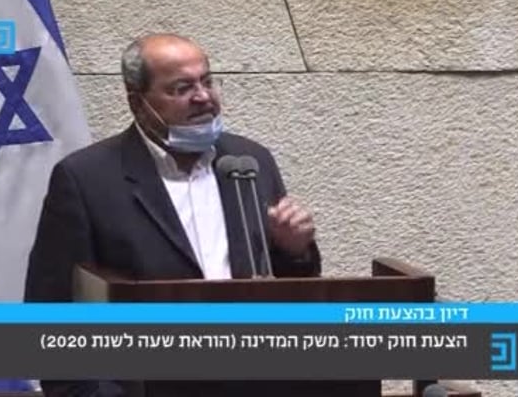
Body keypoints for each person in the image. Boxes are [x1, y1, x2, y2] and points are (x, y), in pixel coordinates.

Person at [24, 33, 327, 396]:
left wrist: (294, 251)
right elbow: (51, 312)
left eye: (207, 81)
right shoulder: (86, 179)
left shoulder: (249, 162)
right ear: (137, 102)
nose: (203, 97)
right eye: (182, 88)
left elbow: (286, 291)